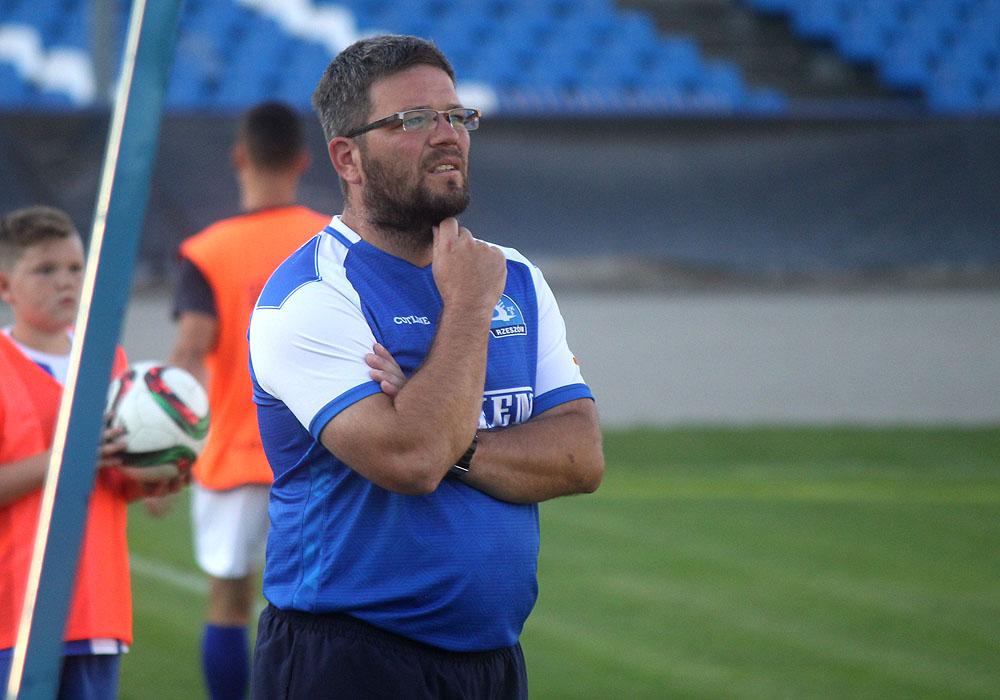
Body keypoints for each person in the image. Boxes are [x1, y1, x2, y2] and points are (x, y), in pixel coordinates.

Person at [248, 35, 605, 699]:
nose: (447, 135)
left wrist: (452, 441)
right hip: (348, 658)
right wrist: (466, 308)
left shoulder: (514, 276)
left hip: (492, 660)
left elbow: (580, 458)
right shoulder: (312, 296)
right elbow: (411, 461)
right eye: (413, 120)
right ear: (347, 158)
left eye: (456, 115)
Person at [168, 101, 329, 700]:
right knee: (322, 610)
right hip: (323, 454)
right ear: (303, 161)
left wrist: (165, 458)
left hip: (235, 456)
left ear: (239, 157)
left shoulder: (207, 250)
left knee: (229, 603)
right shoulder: (331, 240)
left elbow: (189, 354)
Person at [0, 205, 182, 697]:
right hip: (14, 614)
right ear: (4, 286)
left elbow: (112, 479)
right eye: (45, 270)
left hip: (96, 609)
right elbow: (68, 463)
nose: (65, 281)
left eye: (75, 268)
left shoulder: (108, 359)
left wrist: (158, 476)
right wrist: (65, 456)